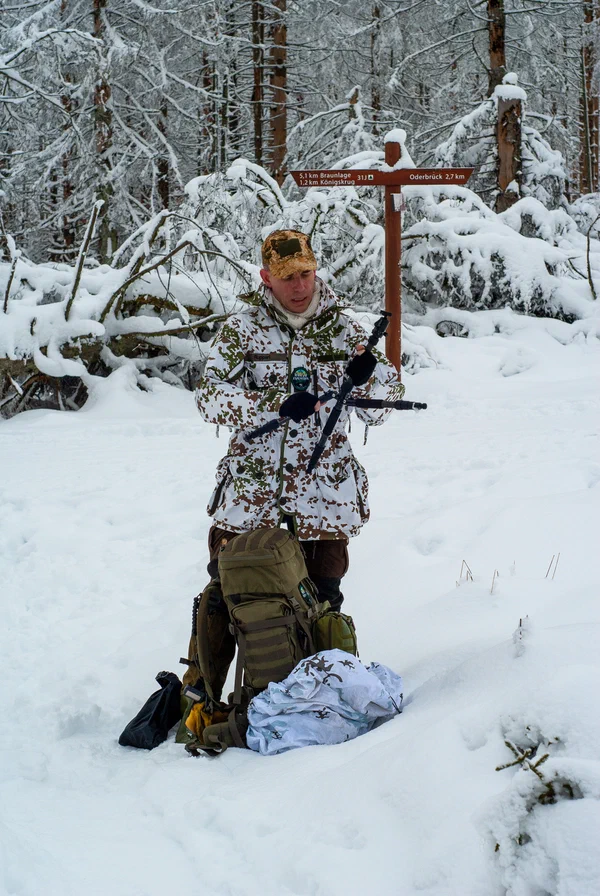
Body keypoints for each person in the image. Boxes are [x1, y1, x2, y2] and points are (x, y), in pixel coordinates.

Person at [189, 229, 404, 699]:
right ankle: (201, 694)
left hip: (324, 501)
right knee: (226, 598)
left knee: (322, 605)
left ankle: (323, 698)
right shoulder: (241, 330)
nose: (299, 286)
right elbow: (208, 398)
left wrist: (371, 379)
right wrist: (274, 404)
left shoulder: (347, 330)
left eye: (305, 273)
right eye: (287, 277)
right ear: (266, 277)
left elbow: (386, 405)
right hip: (250, 498)